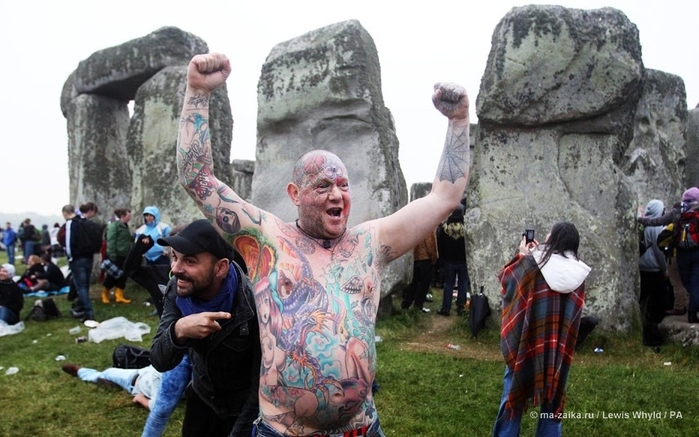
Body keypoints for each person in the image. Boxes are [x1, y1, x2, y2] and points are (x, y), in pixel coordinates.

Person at [176, 52, 470, 436]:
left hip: (360, 429)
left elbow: (444, 197)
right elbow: (197, 178)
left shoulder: (372, 243)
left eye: (344, 185)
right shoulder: (267, 240)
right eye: (323, 185)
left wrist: (460, 121)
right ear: (295, 193)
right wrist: (197, 92)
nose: (338, 194)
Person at [150, 219, 261, 437]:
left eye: (189, 261)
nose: (175, 269)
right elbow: (159, 360)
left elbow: (260, 385)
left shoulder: (252, 302)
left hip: (239, 410)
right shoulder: (178, 289)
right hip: (202, 398)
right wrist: (179, 329)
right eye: (175, 257)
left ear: (220, 267)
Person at [492, 222, 590, 437]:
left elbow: (507, 280)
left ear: (553, 238)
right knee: (553, 399)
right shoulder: (579, 274)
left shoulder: (531, 264)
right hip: (558, 349)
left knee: (513, 395)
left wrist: (522, 254)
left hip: (527, 342)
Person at [638, 187, 699, 323]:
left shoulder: (678, 212)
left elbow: (657, 221)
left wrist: (641, 219)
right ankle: (692, 312)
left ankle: (691, 306)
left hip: (681, 253)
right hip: (696, 253)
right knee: (695, 283)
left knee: (684, 282)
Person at [61, 362, 162, 410]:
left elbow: (156, 407)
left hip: (133, 380)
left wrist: (140, 399)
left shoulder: (159, 379)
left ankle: (80, 371)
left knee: (107, 373)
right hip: (144, 373)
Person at [59, 204, 98, 322]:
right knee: (85, 285)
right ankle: (80, 307)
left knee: (81, 287)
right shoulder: (84, 222)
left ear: (65, 213)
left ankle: (88, 312)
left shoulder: (71, 223)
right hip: (88, 257)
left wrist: (70, 258)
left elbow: (69, 243)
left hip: (77, 259)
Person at [638, 199, 668, 345]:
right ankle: (653, 336)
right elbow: (659, 251)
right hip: (654, 269)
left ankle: (643, 330)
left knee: (643, 300)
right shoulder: (656, 227)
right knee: (657, 302)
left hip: (642, 267)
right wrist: (665, 270)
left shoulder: (642, 224)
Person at [436, 204, 470, 316]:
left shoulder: (445, 228)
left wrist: (442, 259)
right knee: (463, 284)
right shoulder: (467, 227)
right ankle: (461, 307)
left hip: (449, 260)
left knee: (448, 284)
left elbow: (440, 244)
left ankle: (446, 308)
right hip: (463, 260)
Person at [401, 229, 438, 313]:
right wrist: (434, 258)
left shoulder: (414, 227)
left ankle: (406, 303)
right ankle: (418, 306)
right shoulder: (428, 227)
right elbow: (431, 244)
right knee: (423, 284)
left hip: (414, 257)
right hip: (425, 258)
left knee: (413, 283)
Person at [102, 208, 134, 304]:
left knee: (123, 275)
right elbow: (111, 240)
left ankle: (119, 295)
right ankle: (105, 294)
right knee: (112, 276)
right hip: (116, 255)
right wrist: (112, 255)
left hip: (125, 255)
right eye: (128, 215)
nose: (130, 217)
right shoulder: (114, 226)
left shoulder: (125, 226)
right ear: (123, 216)